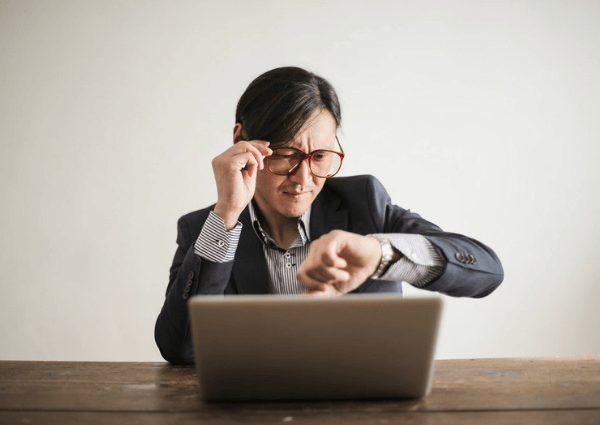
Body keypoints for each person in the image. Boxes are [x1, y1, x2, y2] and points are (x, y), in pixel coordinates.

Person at [155, 66, 504, 365]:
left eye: (320, 156)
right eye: (286, 154)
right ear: (241, 142)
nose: (303, 179)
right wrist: (227, 215)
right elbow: (180, 348)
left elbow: (486, 271)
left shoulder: (364, 203)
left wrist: (380, 256)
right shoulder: (205, 229)